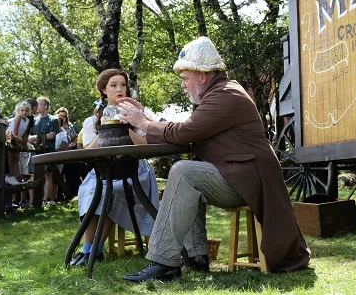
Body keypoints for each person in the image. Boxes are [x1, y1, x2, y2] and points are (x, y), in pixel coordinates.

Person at [118, 36, 310, 282]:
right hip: (242, 177)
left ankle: (163, 262)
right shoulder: (218, 94)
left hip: (249, 182)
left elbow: (185, 132)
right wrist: (140, 122)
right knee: (189, 177)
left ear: (203, 76)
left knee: (184, 172)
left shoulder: (225, 96)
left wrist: (143, 122)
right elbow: (185, 133)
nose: (183, 85)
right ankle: (197, 257)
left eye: (186, 78)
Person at [69, 68, 160, 267]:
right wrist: (104, 128)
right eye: (113, 85)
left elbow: (146, 145)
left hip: (134, 171)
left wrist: (127, 126)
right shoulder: (92, 120)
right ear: (104, 90)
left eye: (123, 85)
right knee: (92, 189)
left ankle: (93, 251)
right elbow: (88, 151)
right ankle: (89, 250)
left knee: (109, 191)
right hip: (104, 170)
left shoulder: (138, 114)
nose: (119, 89)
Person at [27, 97, 60, 205]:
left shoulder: (53, 119)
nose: (37, 106)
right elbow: (28, 135)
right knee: (32, 175)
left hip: (48, 150)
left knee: (47, 174)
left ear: (45, 106)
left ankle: (45, 200)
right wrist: (31, 138)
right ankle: (32, 202)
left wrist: (36, 137)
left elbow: (51, 135)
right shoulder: (33, 120)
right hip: (34, 150)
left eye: (39, 104)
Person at [5, 101, 32, 186]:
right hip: (10, 137)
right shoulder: (18, 117)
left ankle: (17, 176)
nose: (24, 112)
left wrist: (23, 142)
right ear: (18, 111)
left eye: (26, 110)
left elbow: (24, 134)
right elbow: (15, 130)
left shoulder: (27, 120)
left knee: (16, 158)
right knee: (10, 156)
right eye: (22, 110)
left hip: (16, 138)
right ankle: (10, 175)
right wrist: (17, 139)